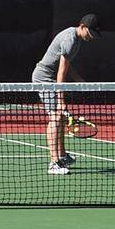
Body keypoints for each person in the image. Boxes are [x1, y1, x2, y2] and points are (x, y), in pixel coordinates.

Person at [34, 14, 98, 175]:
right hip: (44, 78)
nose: (92, 37)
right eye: (91, 32)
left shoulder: (76, 39)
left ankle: (62, 155)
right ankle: (54, 162)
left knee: (61, 117)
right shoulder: (70, 40)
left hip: (51, 78)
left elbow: (67, 65)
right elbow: (61, 72)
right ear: (83, 26)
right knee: (56, 116)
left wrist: (78, 80)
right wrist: (61, 101)